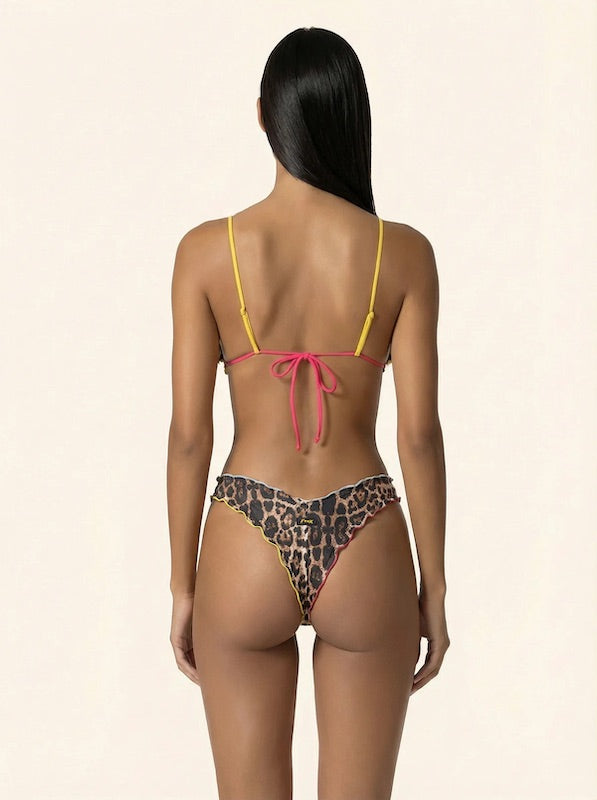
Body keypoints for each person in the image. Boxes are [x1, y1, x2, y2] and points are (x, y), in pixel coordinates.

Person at [166, 26, 449, 800]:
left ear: (264, 115)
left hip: (245, 527)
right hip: (363, 529)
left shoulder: (207, 251)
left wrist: (183, 586)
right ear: (352, 118)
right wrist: (433, 587)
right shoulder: (403, 254)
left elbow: (190, 437)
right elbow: (418, 436)